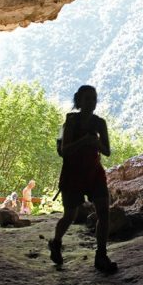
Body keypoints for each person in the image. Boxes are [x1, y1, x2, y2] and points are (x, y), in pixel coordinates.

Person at [49, 85, 118, 273]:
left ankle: (101, 255)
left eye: (94, 98)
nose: (91, 102)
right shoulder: (70, 122)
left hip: (94, 172)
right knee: (69, 215)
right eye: (87, 98)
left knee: (104, 212)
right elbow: (64, 151)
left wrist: (95, 142)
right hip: (73, 174)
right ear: (79, 101)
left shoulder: (100, 123)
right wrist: (85, 141)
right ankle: (56, 242)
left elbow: (107, 151)